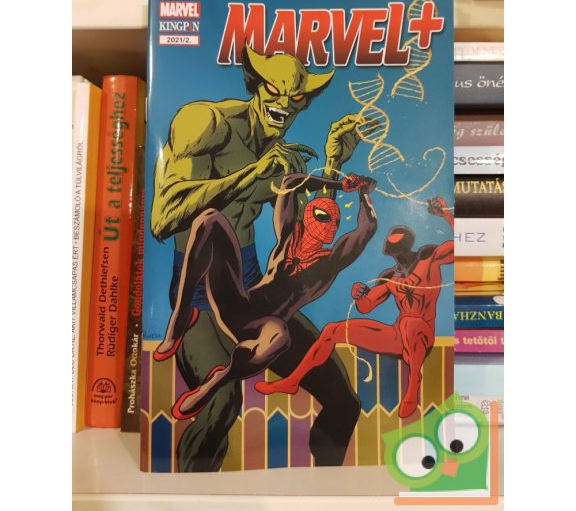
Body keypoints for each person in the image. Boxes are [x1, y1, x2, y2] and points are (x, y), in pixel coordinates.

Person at [150, 45, 363, 470]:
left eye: (296, 97)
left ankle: (325, 490)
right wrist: (252, 172)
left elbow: (303, 239)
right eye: (274, 91)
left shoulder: (283, 152)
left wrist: (334, 163)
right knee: (221, 402)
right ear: (255, 86)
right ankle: (186, 492)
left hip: (253, 294)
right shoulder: (204, 123)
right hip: (198, 296)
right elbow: (163, 219)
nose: (284, 104)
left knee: (344, 402)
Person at [155, 172, 378, 421]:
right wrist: (340, 184)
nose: (324, 222)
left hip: (265, 329)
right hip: (238, 305)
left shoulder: (330, 262)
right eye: (319, 214)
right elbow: (290, 183)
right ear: (306, 216)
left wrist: (363, 194)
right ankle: (181, 314)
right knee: (209, 219)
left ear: (334, 231)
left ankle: (218, 380)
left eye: (331, 220)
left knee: (280, 335)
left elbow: (367, 228)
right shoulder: (287, 235)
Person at [256, 197, 453, 419]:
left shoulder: (428, 256)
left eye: (401, 244)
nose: (399, 251)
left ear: (409, 243)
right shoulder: (389, 276)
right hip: (398, 336)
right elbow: (366, 307)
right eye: (394, 246)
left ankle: (414, 383)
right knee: (332, 330)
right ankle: (292, 381)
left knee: (411, 324)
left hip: (422, 334)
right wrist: (359, 294)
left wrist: (446, 215)